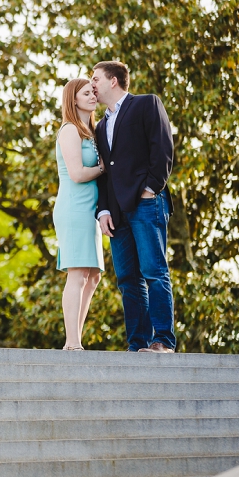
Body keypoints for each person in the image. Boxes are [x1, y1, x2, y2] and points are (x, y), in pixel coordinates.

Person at [91, 61, 176, 353]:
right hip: (115, 213)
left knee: (154, 271)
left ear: (113, 81)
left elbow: (163, 148)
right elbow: (104, 171)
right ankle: (136, 344)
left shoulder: (146, 104)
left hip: (146, 204)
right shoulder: (100, 125)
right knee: (128, 280)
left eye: (96, 78)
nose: (92, 84)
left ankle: (163, 340)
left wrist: (151, 189)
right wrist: (102, 211)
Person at [53, 78, 106, 350]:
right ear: (73, 99)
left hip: (90, 210)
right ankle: (72, 343)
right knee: (77, 274)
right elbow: (77, 174)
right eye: (86, 93)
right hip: (74, 208)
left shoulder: (91, 130)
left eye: (93, 92)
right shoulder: (70, 130)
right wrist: (104, 168)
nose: (92, 96)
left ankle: (75, 338)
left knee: (93, 276)